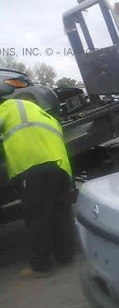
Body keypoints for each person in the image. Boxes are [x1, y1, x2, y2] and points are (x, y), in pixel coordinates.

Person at [0, 96, 74, 277]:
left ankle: (41, 266)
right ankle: (65, 256)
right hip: (60, 167)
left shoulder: (7, 107)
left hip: (33, 166)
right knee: (60, 212)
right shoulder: (42, 114)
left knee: (38, 217)